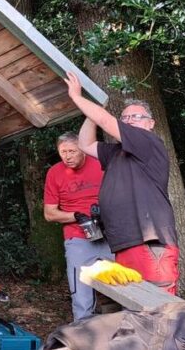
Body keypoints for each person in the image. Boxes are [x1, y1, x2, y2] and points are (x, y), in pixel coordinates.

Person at [64, 72, 179, 294]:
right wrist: (92, 115)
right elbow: (86, 144)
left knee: (160, 314)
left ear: (150, 124)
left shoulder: (148, 142)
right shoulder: (116, 152)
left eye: (135, 117)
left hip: (150, 243)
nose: (128, 122)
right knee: (135, 312)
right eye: (125, 118)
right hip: (124, 243)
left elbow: (107, 121)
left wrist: (78, 98)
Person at [43, 132, 113, 320]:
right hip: (78, 237)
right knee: (81, 299)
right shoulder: (55, 172)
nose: (67, 156)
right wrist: (75, 216)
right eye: (63, 152)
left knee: (128, 287)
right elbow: (49, 214)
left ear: (82, 149)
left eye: (72, 151)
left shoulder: (100, 164)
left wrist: (104, 214)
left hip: (111, 233)